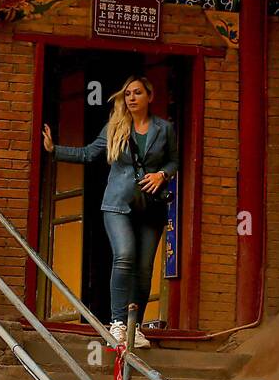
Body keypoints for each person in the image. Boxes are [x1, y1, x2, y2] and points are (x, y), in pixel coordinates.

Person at [42, 75, 178, 349]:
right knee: (125, 255)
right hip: (117, 204)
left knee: (143, 269)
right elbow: (89, 154)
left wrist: (162, 175)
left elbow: (174, 160)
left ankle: (135, 327)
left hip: (150, 205)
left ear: (149, 97)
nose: (131, 98)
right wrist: (54, 150)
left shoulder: (165, 129)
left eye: (137, 93)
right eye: (127, 94)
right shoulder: (115, 127)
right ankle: (117, 323)